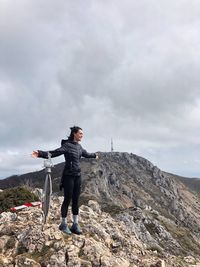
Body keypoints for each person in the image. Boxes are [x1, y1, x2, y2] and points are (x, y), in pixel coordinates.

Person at [32, 126, 98, 235]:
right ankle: (63, 224)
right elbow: (54, 153)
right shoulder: (67, 146)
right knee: (67, 199)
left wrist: (94, 155)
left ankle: (75, 224)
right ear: (74, 134)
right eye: (80, 133)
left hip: (77, 176)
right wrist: (39, 153)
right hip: (68, 176)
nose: (82, 135)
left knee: (76, 200)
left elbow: (86, 154)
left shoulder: (79, 147)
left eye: (82, 133)